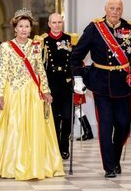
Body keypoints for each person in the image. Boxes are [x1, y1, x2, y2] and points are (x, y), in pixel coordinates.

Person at [0, 8, 64, 180]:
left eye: (27, 26)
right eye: (20, 26)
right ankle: (12, 165)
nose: (24, 29)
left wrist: (46, 91)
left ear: (31, 29)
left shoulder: (36, 46)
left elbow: (40, 70)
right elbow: (3, 71)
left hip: (32, 92)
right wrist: (0, 94)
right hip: (13, 91)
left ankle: (34, 164)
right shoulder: (7, 47)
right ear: (15, 28)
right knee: (14, 127)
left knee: (34, 128)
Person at [70, 0, 131, 178]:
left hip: (123, 84)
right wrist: (78, 78)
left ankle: (114, 156)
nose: (115, 11)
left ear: (122, 10)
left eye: (118, 8)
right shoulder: (94, 28)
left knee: (123, 126)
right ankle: (110, 167)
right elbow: (75, 56)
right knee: (105, 125)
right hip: (101, 84)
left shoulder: (130, 28)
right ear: (105, 9)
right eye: (112, 8)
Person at [41, 13, 93, 159]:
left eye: (59, 22)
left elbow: (76, 62)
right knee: (54, 120)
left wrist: (78, 79)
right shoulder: (42, 41)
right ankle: (57, 147)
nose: (57, 25)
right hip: (51, 85)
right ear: (49, 24)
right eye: (54, 22)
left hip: (66, 84)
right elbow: (40, 66)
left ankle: (64, 144)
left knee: (68, 117)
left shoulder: (71, 39)